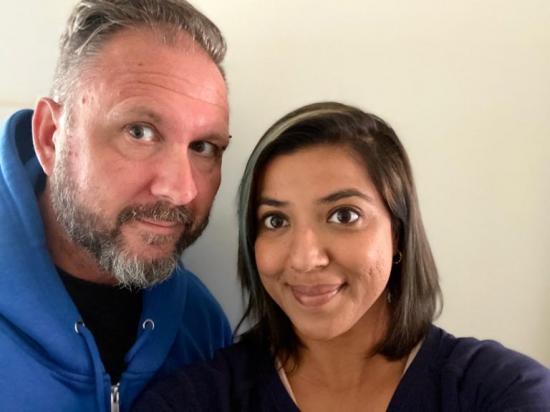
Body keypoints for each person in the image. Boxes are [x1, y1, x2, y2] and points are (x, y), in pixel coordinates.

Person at [133, 102, 550, 411]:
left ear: (399, 233)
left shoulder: (501, 392)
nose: (305, 259)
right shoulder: (193, 401)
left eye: (343, 215)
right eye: (276, 221)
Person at [0, 0, 234, 411]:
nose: (180, 190)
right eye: (140, 132)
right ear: (51, 137)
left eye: (203, 147)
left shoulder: (204, 329)